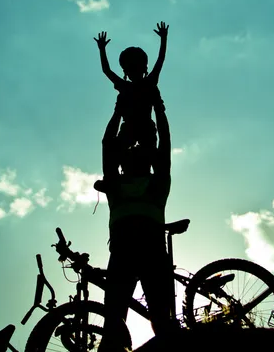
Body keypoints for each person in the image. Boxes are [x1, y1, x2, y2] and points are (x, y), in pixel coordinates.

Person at [97, 94, 174, 352]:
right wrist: (118, 111)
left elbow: (164, 142)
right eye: (131, 150)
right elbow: (108, 144)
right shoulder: (116, 184)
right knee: (114, 321)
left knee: (161, 320)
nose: (136, 151)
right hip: (128, 254)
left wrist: (158, 108)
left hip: (142, 254)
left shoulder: (157, 181)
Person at [94, 22, 169, 151]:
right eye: (130, 68)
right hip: (131, 129)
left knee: (147, 152)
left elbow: (160, 59)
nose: (133, 71)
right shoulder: (138, 85)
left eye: (135, 67)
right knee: (111, 147)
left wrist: (164, 39)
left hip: (145, 130)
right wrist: (102, 49)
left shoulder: (142, 85)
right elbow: (106, 70)